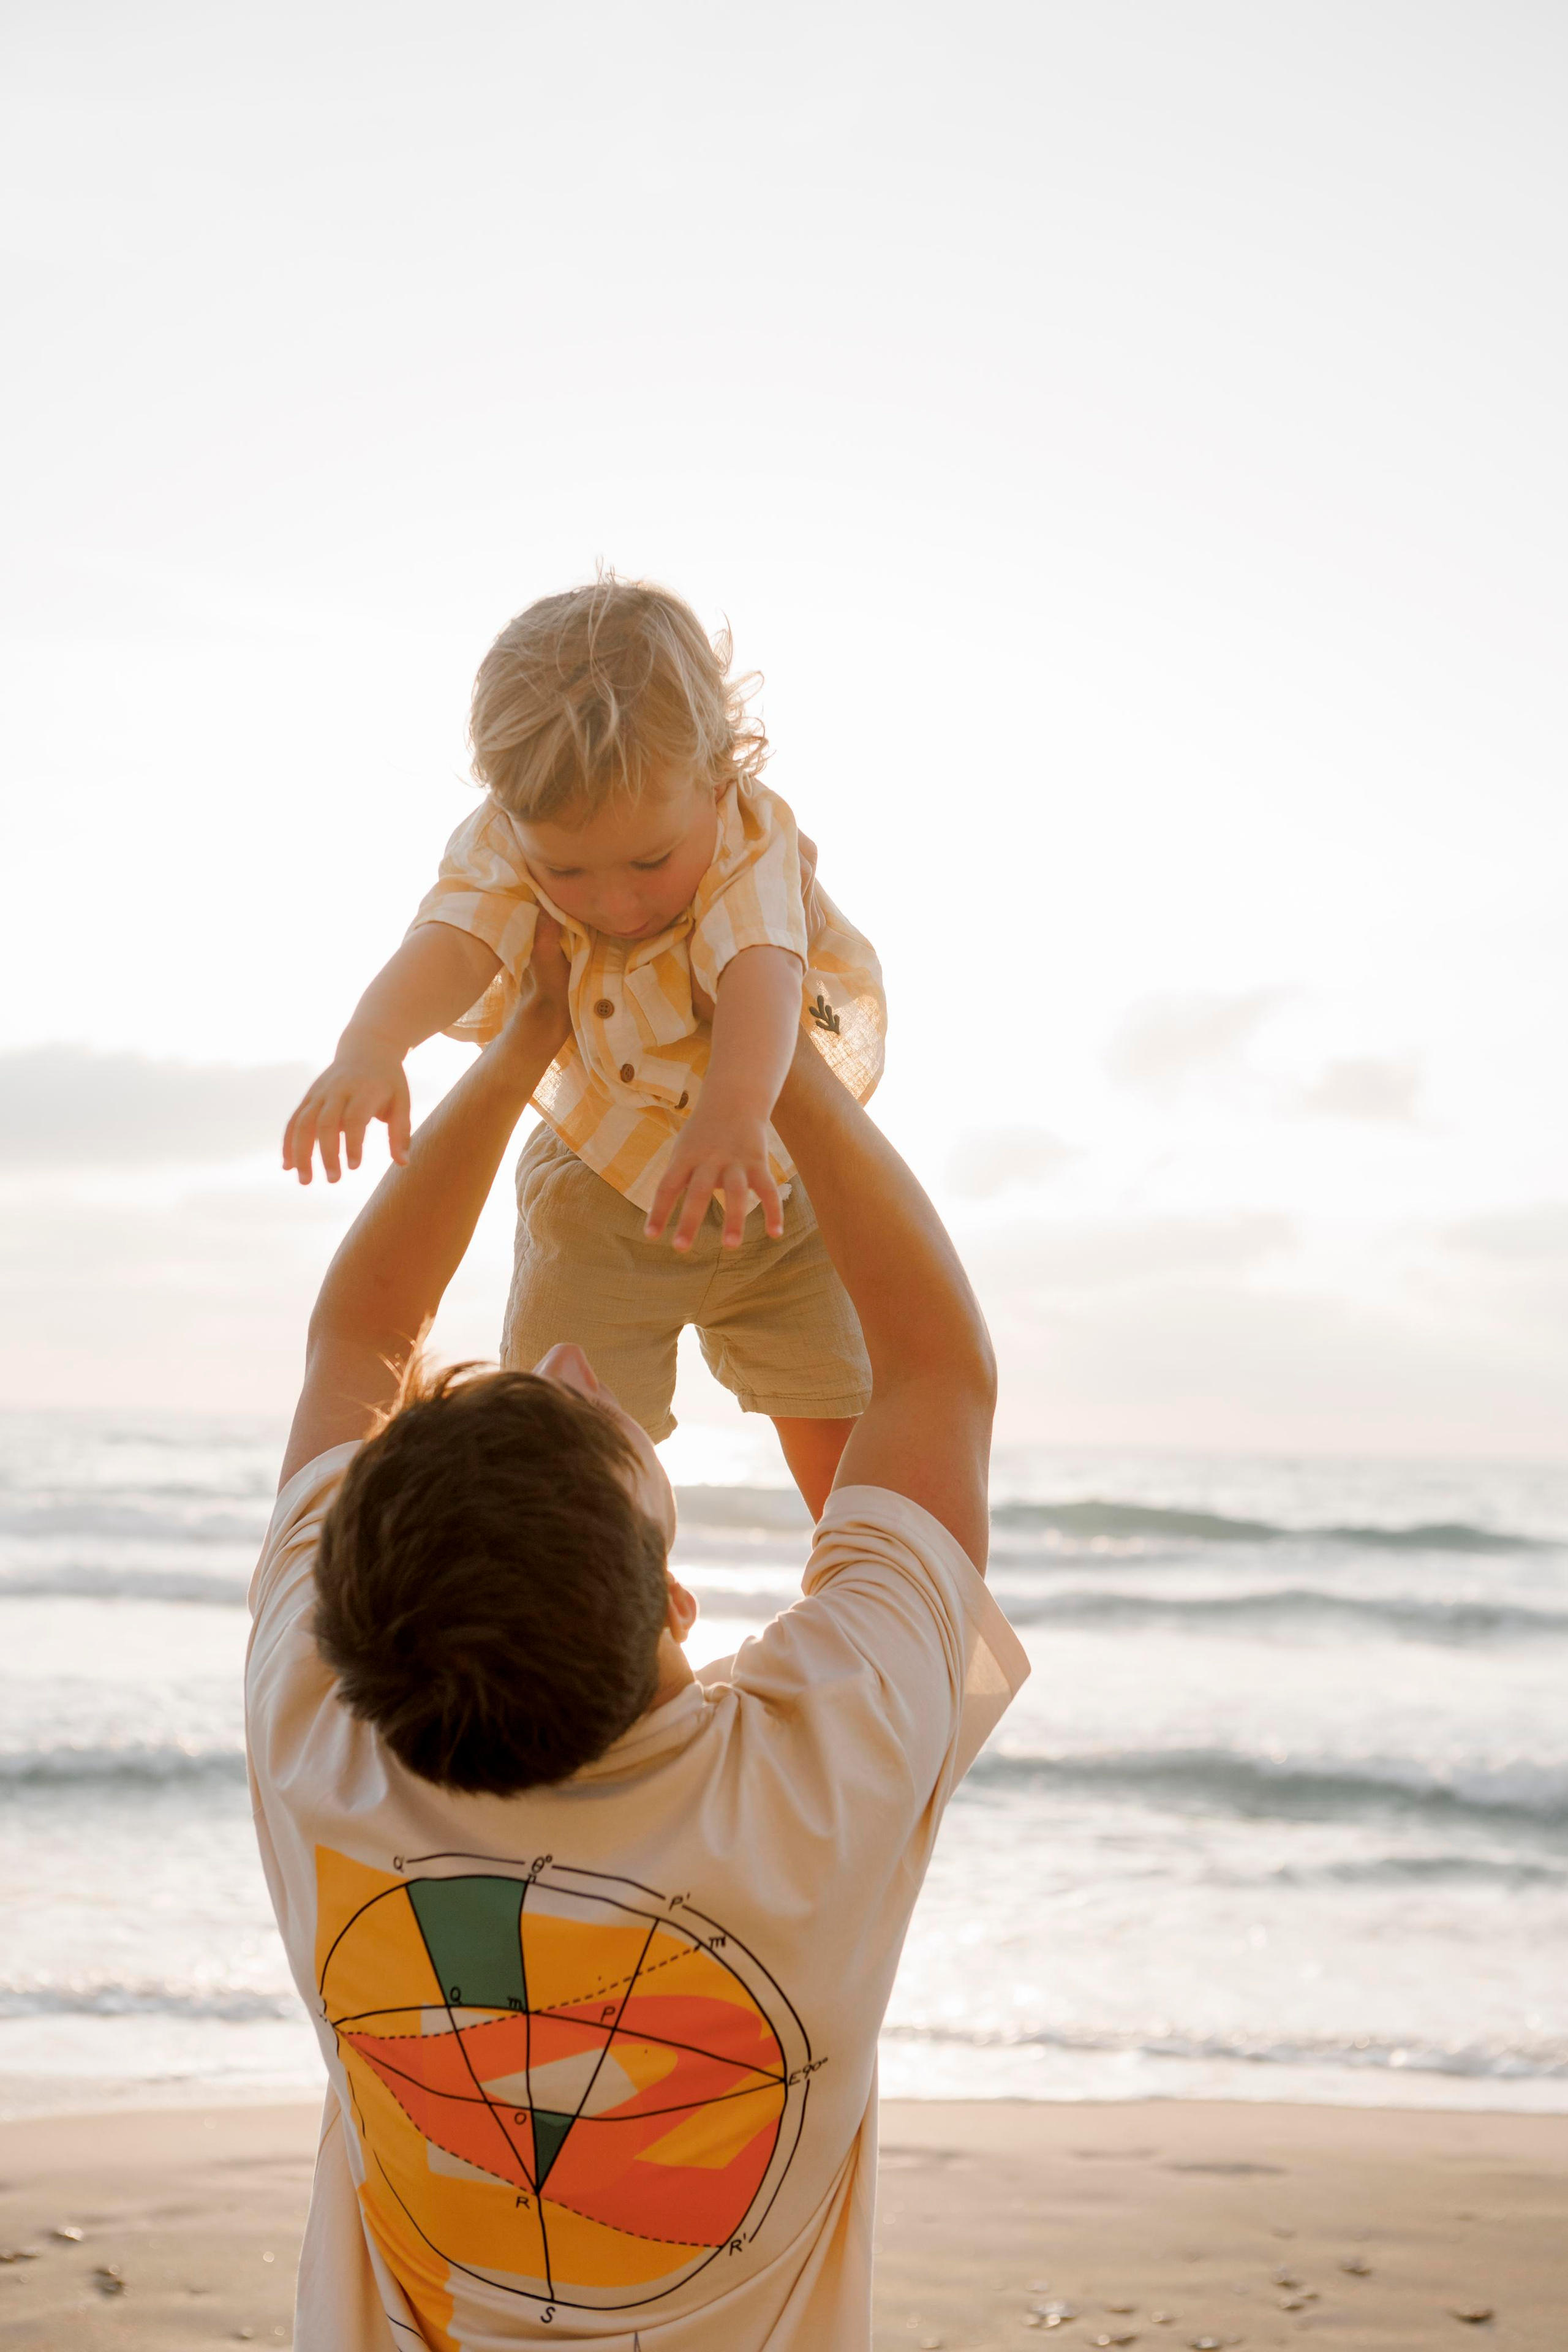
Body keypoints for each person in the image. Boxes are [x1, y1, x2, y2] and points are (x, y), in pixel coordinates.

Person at [247, 919, 1028, 2350]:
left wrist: (523, 1040)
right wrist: (764, 1024)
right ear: (677, 1600)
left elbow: (358, 1338)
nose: (562, 1358)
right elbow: (936, 1370)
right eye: (581, 1410)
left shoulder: (322, 1749)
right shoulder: (813, 1784)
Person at [281, 576, 884, 1512]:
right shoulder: (504, 841)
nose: (614, 903)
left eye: (649, 861)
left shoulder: (747, 832)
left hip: (771, 1179)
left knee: (844, 1422)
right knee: (573, 1461)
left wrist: (732, 1115)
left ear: (717, 775)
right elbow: (451, 945)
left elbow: (762, 972)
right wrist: (372, 1045)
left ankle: (861, 1598)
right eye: (566, 868)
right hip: (603, 1189)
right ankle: (611, 1625)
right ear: (511, 814)